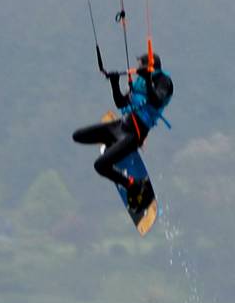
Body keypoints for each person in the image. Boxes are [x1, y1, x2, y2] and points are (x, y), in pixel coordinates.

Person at [72, 53, 174, 200]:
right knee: (78, 136)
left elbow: (157, 101)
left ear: (148, 66)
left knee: (100, 166)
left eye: (140, 64)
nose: (137, 68)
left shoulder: (164, 82)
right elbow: (120, 103)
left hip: (135, 134)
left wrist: (148, 79)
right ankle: (113, 145)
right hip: (120, 126)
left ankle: (134, 185)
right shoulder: (140, 82)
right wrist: (115, 83)